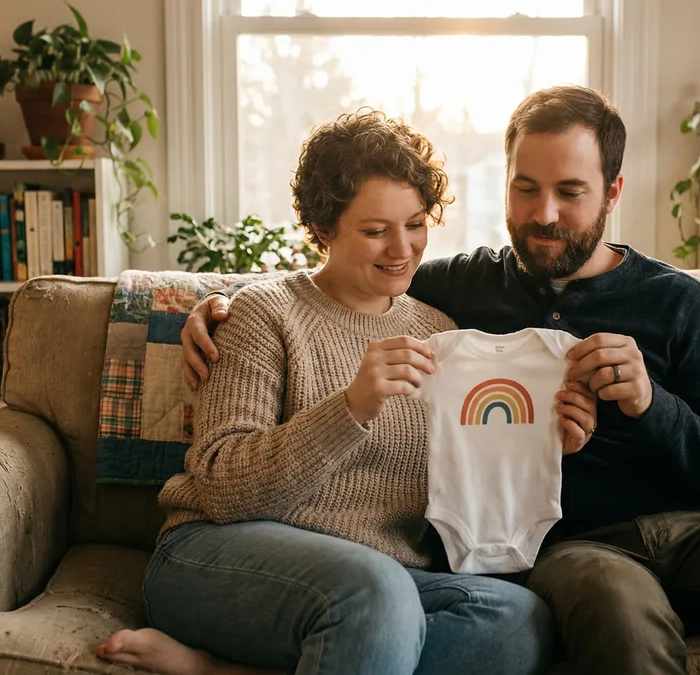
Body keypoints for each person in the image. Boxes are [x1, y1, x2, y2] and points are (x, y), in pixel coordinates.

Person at [180, 85, 700, 675]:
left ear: (613, 191)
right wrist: (214, 306)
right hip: (572, 545)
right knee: (611, 607)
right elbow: (345, 288)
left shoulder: (677, 302)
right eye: (526, 189)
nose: (543, 214)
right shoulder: (455, 293)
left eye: (569, 192)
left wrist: (650, 405)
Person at [97, 109, 598, 675]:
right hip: (223, 554)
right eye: (375, 230)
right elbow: (220, 487)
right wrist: (351, 406)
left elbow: (469, 474)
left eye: (415, 223)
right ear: (323, 229)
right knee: (374, 594)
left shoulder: (438, 332)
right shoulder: (266, 313)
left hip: (385, 580)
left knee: (517, 623)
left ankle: (229, 670)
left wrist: (542, 442)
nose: (402, 249)